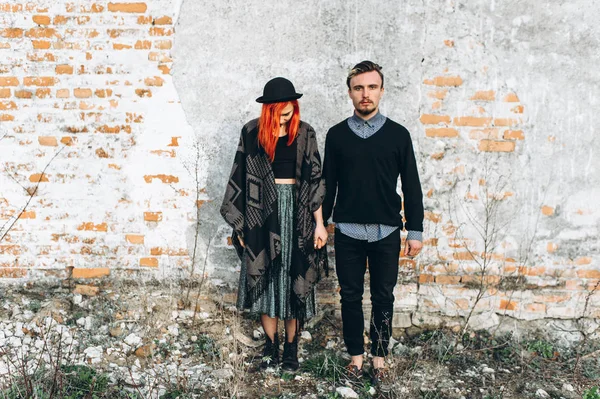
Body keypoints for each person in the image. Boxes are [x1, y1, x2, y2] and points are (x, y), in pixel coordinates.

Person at [322, 61, 424, 386]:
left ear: (381, 90)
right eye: (358, 88)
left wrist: (416, 229)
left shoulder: (398, 135)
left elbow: (411, 184)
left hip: (387, 232)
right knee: (349, 297)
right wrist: (320, 224)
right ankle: (356, 359)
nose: (365, 94)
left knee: (383, 297)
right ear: (350, 92)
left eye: (371, 87)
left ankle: (379, 361)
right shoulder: (336, 136)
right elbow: (328, 184)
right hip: (348, 231)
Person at [220, 77, 328, 371]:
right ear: (268, 109)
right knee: (267, 281)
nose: (285, 115)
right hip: (261, 215)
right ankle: (270, 345)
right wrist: (241, 226)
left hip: (298, 214)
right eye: (279, 110)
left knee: (295, 278)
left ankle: (291, 349)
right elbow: (240, 176)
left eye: (290, 109)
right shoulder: (252, 132)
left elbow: (315, 182)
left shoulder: (305, 133)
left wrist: (320, 225)